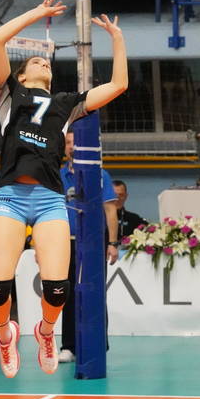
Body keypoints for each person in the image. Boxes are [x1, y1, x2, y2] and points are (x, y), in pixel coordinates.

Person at [0, 0, 127, 378]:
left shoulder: (65, 104)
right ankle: (5, 334)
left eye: (45, 60)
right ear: (21, 76)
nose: (42, 61)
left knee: (57, 287)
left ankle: (46, 332)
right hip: (11, 199)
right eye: (34, 61)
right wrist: (39, 12)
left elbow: (118, 84)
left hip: (49, 201)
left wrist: (117, 39)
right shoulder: (10, 95)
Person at [58, 130, 119, 364]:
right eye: (68, 143)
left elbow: (110, 210)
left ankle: (98, 344)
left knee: (94, 293)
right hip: (65, 243)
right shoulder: (58, 175)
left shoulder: (100, 174)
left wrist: (112, 242)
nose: (71, 146)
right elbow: (49, 210)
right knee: (67, 294)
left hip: (93, 243)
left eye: (75, 142)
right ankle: (69, 346)